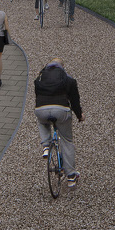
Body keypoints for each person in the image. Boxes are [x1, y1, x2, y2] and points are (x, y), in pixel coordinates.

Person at [34, 58, 84, 188]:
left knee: (42, 122)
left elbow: (37, 97)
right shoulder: (68, 79)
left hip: (41, 110)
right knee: (67, 141)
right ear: (62, 68)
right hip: (61, 111)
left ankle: (46, 146)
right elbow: (75, 101)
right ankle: (71, 177)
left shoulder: (40, 77)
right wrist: (80, 115)